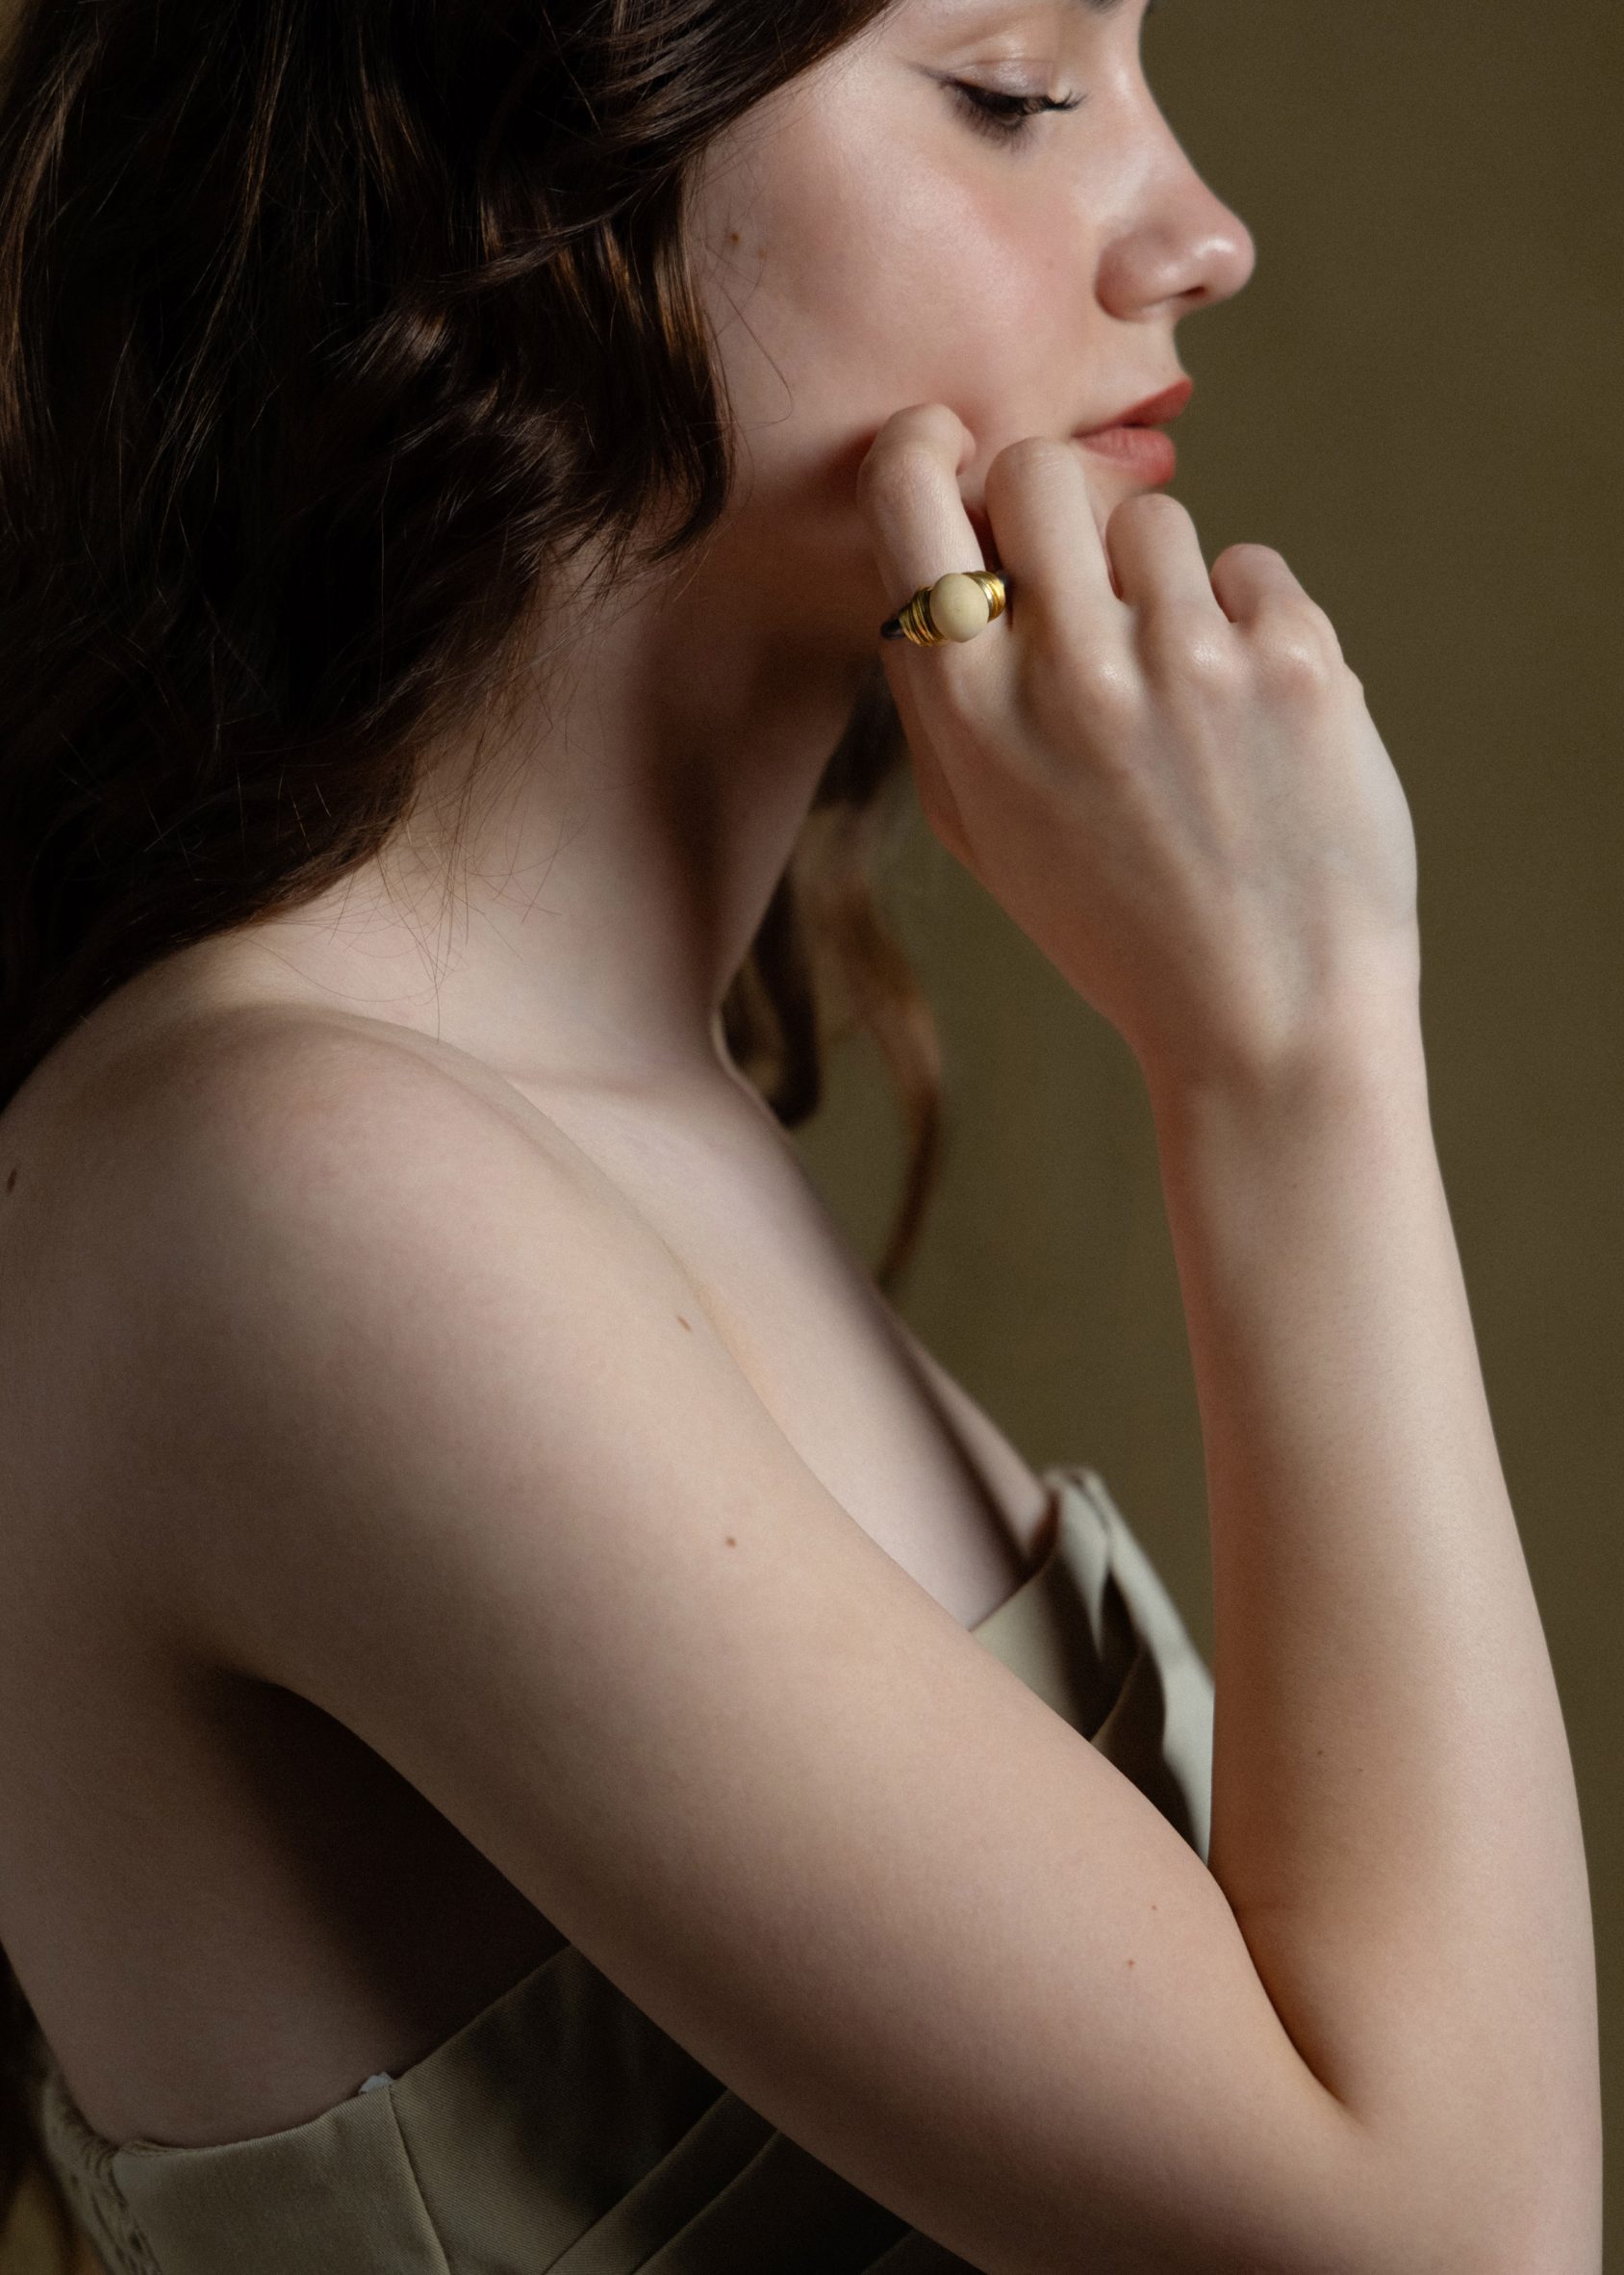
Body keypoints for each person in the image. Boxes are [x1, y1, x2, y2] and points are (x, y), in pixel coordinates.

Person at [0, 0, 1602, 2266]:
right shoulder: (282, 1188)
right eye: (1017, 89)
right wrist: (1294, 1055)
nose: (1201, 234)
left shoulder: (589, 1120)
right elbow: (1453, 2243)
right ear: (529, 190)